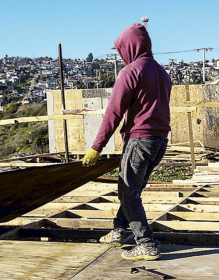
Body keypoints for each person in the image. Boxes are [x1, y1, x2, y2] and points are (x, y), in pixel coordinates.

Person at [82, 23, 171, 261]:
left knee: (128, 192)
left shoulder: (130, 72)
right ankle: (119, 230)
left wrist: (96, 147)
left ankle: (146, 243)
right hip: (160, 141)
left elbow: (114, 113)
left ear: (128, 47)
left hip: (140, 140)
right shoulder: (162, 72)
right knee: (131, 189)